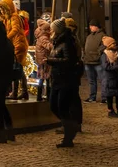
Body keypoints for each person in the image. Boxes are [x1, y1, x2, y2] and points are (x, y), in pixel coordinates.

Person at [47, 19, 81, 148]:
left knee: (62, 107)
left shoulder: (66, 42)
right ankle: (71, 127)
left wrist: (51, 60)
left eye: (52, 29)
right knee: (53, 106)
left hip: (65, 79)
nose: (50, 31)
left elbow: (69, 60)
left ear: (57, 30)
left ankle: (68, 137)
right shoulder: (57, 42)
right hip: (57, 78)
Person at [0, 0, 29, 100]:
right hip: (14, 44)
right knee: (17, 68)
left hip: (19, 44)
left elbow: (15, 29)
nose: (2, 12)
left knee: (17, 68)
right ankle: (20, 91)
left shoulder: (14, 17)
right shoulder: (7, 19)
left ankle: (18, 92)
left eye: (3, 9)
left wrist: (5, 38)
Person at [101, 36, 118, 118]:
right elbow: (106, 67)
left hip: (116, 77)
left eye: (115, 43)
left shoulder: (115, 53)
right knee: (110, 95)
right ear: (108, 45)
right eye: (113, 43)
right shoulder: (104, 55)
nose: (115, 44)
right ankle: (110, 110)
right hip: (109, 78)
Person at [83, 19, 107, 103]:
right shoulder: (89, 36)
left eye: (92, 26)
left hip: (97, 62)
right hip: (88, 61)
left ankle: (104, 97)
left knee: (102, 79)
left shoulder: (102, 35)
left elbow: (103, 46)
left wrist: (97, 53)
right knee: (91, 81)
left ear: (96, 26)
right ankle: (92, 97)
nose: (90, 27)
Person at [35, 21, 53, 102]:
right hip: (45, 60)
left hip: (41, 60)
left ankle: (40, 96)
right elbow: (49, 47)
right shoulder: (44, 38)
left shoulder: (40, 36)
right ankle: (47, 96)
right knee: (46, 78)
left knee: (41, 78)